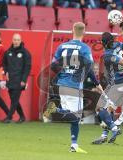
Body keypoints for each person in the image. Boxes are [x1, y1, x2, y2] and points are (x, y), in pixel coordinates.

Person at [43, 22, 103, 153]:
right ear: (84, 32)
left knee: (72, 116)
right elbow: (89, 68)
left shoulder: (62, 46)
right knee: (76, 117)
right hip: (74, 85)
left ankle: (74, 145)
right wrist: (96, 82)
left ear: (72, 30)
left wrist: (64, 71)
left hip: (62, 84)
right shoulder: (84, 48)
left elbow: (53, 66)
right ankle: (54, 109)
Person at [3, 34, 32, 124]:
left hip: (19, 80)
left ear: (20, 41)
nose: (16, 41)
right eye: (15, 40)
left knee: (14, 99)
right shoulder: (8, 52)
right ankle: (22, 116)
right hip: (10, 79)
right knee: (14, 99)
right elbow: (4, 63)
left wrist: (24, 80)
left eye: (18, 40)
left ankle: (9, 117)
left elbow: (27, 67)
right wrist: (6, 71)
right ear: (12, 40)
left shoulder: (25, 53)